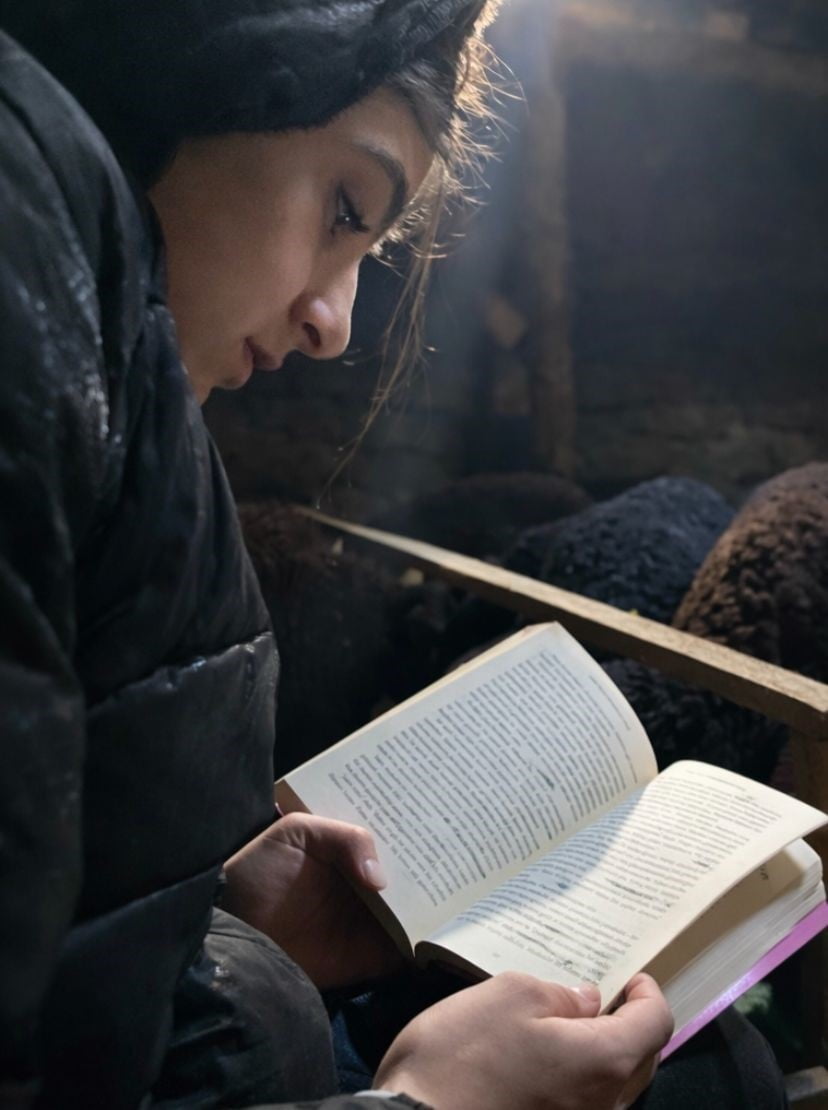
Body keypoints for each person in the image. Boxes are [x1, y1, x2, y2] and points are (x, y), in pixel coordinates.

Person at [0, 2, 787, 1108]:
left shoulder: (110, 396)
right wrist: (422, 1104)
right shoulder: (27, 250)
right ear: (211, 64)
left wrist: (214, 913)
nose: (335, 324)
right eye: (342, 205)